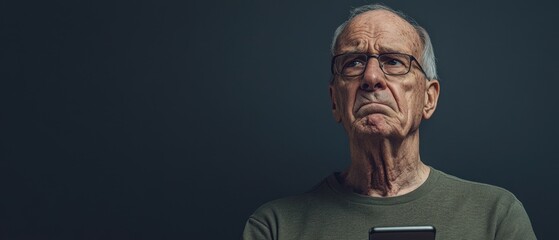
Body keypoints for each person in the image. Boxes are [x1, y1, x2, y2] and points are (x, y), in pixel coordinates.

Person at [242, 3, 536, 240]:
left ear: (428, 99)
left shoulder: (496, 216)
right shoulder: (275, 227)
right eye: (353, 62)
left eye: (394, 61)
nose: (371, 78)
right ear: (335, 101)